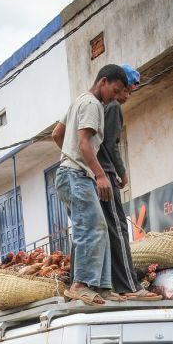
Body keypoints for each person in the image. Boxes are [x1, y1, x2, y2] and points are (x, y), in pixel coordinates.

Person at [52, 64, 129, 306]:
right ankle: (80, 285)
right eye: (115, 91)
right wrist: (100, 175)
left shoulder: (79, 101)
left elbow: (57, 133)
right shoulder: (93, 104)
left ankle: (102, 286)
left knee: (99, 228)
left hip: (69, 173)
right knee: (92, 227)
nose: (115, 98)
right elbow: (85, 143)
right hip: (76, 176)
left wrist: (69, 155)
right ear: (103, 81)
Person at [97, 64, 161, 301]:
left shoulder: (97, 106)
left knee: (100, 231)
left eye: (128, 92)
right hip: (105, 175)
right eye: (124, 90)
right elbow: (111, 145)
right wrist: (121, 173)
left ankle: (109, 283)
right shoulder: (112, 107)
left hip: (96, 175)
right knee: (119, 230)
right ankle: (128, 286)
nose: (125, 97)